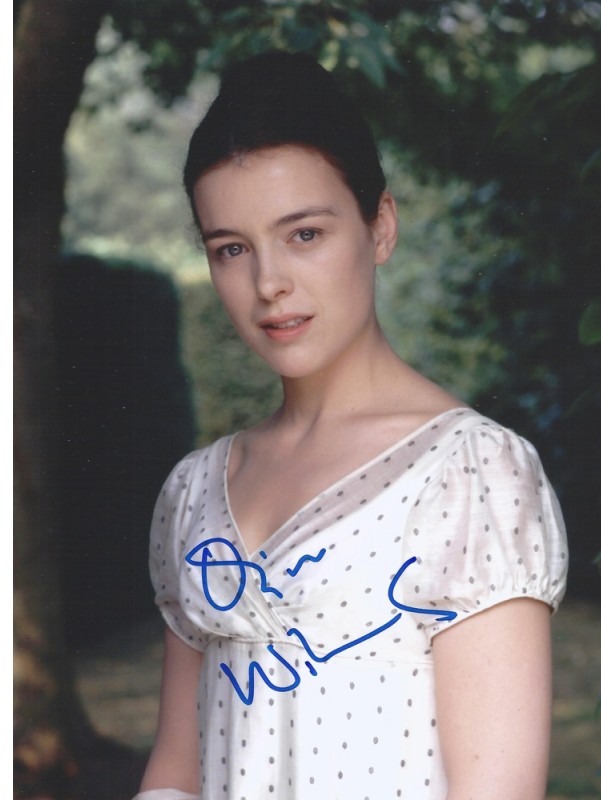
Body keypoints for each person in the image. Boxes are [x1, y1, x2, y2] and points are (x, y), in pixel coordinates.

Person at [135, 51, 568, 800]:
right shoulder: (193, 490)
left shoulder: (471, 473)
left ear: (381, 226)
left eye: (304, 234)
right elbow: (177, 772)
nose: (268, 282)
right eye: (231, 249)